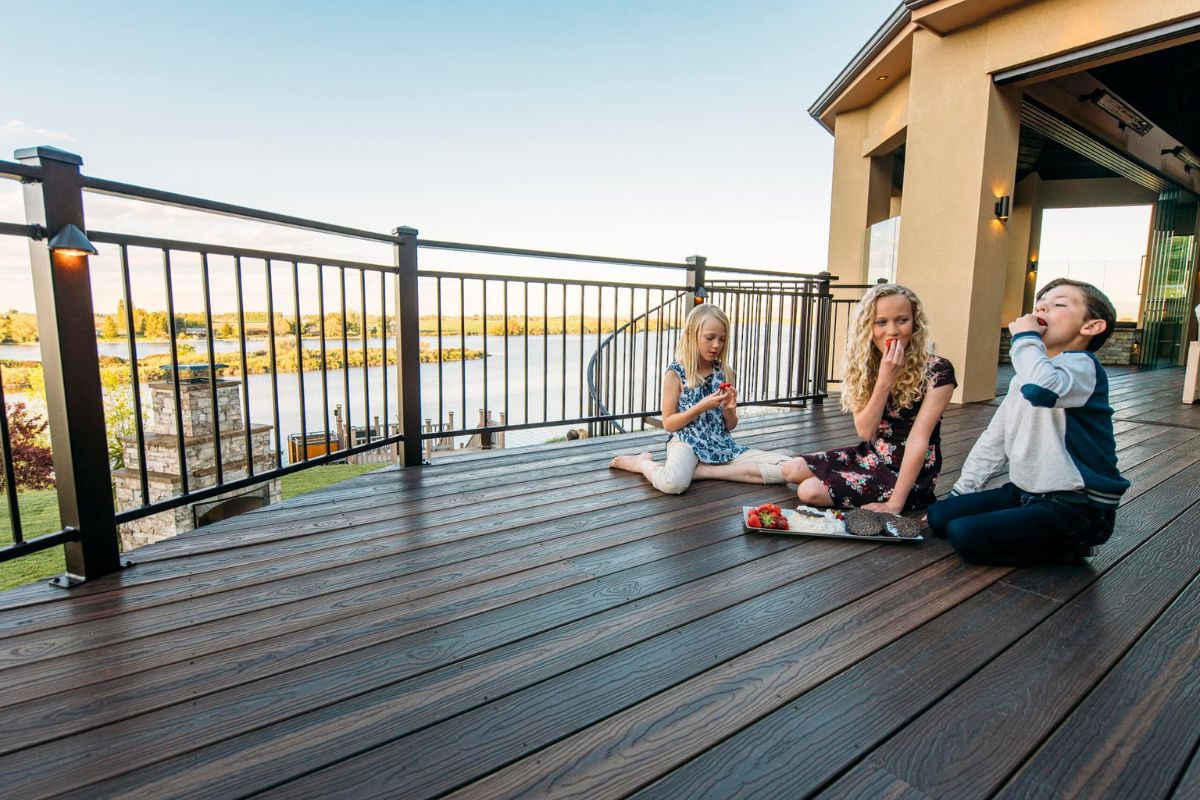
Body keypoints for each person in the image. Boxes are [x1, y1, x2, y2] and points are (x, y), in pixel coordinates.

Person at [925, 278, 1129, 565]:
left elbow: (1041, 389)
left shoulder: (1083, 367)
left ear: (1091, 326)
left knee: (964, 535)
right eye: (1040, 304)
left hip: (1077, 506)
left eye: (1058, 304)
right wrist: (962, 491)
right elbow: (995, 438)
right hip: (1025, 492)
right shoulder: (1027, 373)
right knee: (940, 516)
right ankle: (1032, 526)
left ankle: (1076, 541)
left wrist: (1025, 338)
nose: (1042, 307)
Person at [780, 283, 956, 513]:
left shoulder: (938, 370)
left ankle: (905, 496)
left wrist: (895, 504)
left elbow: (919, 439)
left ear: (914, 323)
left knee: (809, 491)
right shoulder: (863, 366)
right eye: (881, 322)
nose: (892, 330)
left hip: (908, 472)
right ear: (868, 327)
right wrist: (884, 379)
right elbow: (865, 432)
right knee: (791, 469)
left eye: (902, 320)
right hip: (872, 454)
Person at [609, 304, 790, 494]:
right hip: (686, 442)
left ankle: (705, 471)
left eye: (722, 339)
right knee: (672, 483)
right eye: (709, 338)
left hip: (720, 442)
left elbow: (730, 426)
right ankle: (642, 463)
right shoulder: (676, 373)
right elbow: (669, 424)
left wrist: (729, 408)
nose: (716, 345)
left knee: (788, 467)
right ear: (690, 335)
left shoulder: (726, 373)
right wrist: (700, 407)